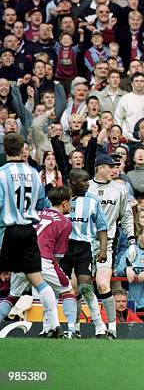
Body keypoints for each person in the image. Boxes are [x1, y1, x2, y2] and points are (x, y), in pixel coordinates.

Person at [0, 133, 61, 337]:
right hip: (28, 230)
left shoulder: (1, 174)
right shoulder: (35, 174)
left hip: (7, 231)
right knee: (37, 279)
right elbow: (41, 202)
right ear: (22, 150)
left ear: (5, 150)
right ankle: (53, 325)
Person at [0, 186, 75, 337]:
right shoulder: (65, 222)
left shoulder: (35, 214)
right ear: (65, 203)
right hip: (42, 260)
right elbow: (58, 255)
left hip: (20, 259)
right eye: (71, 201)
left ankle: (49, 328)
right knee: (68, 290)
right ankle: (71, 330)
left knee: (13, 296)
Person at [88, 155, 137, 339]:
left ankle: (112, 328)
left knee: (102, 284)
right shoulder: (87, 187)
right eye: (110, 166)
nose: (114, 169)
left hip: (106, 243)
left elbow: (126, 216)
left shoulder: (120, 188)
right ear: (100, 168)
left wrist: (132, 240)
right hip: (84, 243)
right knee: (81, 288)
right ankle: (85, 328)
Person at [61, 169, 109, 338]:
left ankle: (99, 325)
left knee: (85, 286)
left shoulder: (93, 200)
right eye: (84, 180)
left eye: (88, 180)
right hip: (63, 248)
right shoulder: (60, 199)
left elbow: (102, 227)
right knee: (64, 288)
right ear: (73, 182)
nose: (88, 184)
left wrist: (103, 250)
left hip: (83, 247)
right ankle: (71, 328)